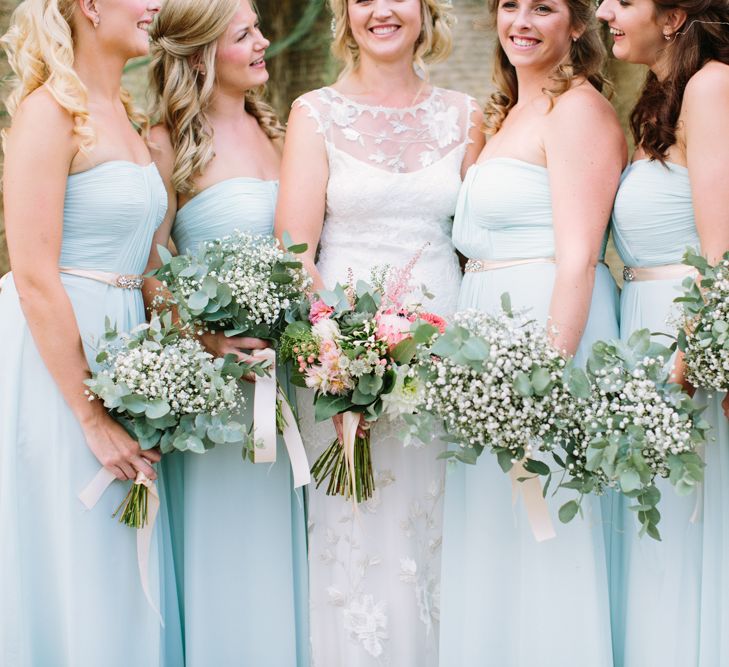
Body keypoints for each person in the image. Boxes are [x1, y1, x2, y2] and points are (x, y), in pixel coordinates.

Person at [275, 0, 483, 663]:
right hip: (341, 362)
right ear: (344, 13)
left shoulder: (465, 114)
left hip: (443, 357)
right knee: (358, 537)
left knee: (439, 531)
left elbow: (473, 246)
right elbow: (294, 253)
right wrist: (336, 350)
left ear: (425, 10)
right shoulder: (313, 113)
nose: (381, 10)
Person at [438, 0, 626, 664]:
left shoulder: (577, 110)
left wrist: (545, 377)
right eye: (508, 5)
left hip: (545, 339)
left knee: (545, 520)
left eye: (541, 7)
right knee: (498, 527)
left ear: (576, 24)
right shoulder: (505, 112)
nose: (520, 20)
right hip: (489, 343)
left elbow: (578, 256)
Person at [0, 0, 183, 665]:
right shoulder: (48, 113)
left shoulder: (128, 118)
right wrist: (89, 414)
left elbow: (148, 262)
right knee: (78, 541)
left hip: (123, 344)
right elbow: (32, 275)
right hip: (61, 357)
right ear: (89, 7)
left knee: (118, 544)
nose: (156, 4)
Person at [146, 1, 308, 664]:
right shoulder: (163, 144)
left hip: (293, 379)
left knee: (288, 544)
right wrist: (207, 339)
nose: (265, 42)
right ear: (198, 54)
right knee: (230, 549)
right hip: (220, 393)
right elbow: (149, 270)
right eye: (245, 35)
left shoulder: (278, 130)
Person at [596, 0, 729, 663]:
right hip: (639, 332)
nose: (602, 12)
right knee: (653, 534)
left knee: (680, 530)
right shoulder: (662, 92)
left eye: (621, 1)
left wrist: (695, 348)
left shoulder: (710, 86)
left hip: (680, 346)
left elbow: (721, 244)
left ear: (674, 14)